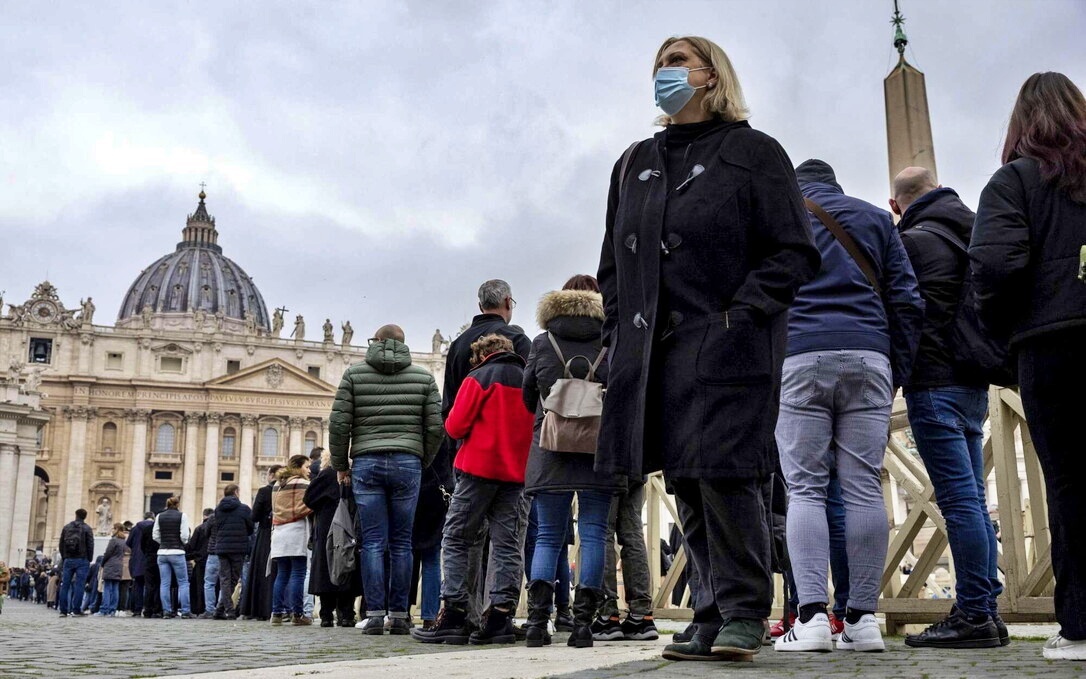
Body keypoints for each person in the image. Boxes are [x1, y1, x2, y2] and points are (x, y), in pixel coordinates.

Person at [596, 35, 820, 662]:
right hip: (654, 348)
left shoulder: (755, 152)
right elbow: (614, 261)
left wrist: (743, 314)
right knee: (686, 481)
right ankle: (710, 608)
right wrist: (618, 332)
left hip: (727, 339)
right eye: (658, 65)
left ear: (711, 75)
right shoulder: (634, 161)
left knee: (726, 473)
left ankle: (746, 609)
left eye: (676, 63)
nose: (663, 74)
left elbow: (793, 250)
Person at [773, 159, 923, 653]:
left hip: (800, 356)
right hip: (868, 354)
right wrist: (893, 367)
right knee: (862, 487)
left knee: (805, 490)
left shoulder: (780, 215)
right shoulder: (876, 219)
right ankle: (862, 620)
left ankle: (813, 618)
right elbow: (907, 298)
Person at [970, 72, 1086, 661]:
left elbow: (993, 269)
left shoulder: (1014, 182)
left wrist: (1004, 336)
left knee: (1070, 485)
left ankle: (1082, 626)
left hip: (1054, 344)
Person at [890, 165, 1007, 649]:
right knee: (973, 502)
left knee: (959, 503)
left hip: (933, 380)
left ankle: (975, 614)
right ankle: (986, 609)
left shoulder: (913, 243)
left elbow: (900, 311)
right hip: (974, 383)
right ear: (937, 190)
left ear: (897, 205)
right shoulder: (972, 231)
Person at [521, 275, 628, 648]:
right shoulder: (613, 336)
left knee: (549, 536)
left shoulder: (542, 341)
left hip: (551, 448)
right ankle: (583, 626)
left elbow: (526, 393)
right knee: (595, 534)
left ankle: (537, 623)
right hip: (600, 449)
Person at [414, 334, 534, 646]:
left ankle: (454, 614)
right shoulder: (528, 379)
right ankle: (500, 616)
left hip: (477, 471)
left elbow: (453, 427)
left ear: (480, 356)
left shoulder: (478, 377)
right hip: (517, 475)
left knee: (457, 539)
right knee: (508, 544)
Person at [330, 324, 443, 634]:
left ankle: (375, 613)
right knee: (403, 543)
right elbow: (436, 427)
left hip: (366, 462)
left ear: (377, 342)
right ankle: (400, 614)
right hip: (408, 462)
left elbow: (339, 424)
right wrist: (422, 458)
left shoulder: (354, 375)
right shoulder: (423, 377)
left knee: (373, 542)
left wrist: (341, 464)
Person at [304, 450, 362, 628]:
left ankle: (326, 614)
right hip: (348, 526)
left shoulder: (325, 475)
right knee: (347, 564)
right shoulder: (355, 475)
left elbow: (308, 499)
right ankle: (347, 613)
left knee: (325, 567)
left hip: (326, 526)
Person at [412, 439, 455, 630]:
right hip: (438, 491)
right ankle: (430, 614)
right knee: (432, 558)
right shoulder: (443, 429)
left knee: (406, 554)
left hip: (411, 490)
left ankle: (401, 611)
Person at [269, 454, 314, 626]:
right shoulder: (303, 484)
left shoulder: (276, 485)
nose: (309, 470)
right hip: (296, 530)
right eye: (306, 467)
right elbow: (310, 505)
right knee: (298, 573)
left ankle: (276, 614)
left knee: (282, 574)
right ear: (298, 467)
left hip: (279, 531)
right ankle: (297, 614)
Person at [241, 465, 280, 621]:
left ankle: (259, 609)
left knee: (262, 571)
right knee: (277, 572)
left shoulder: (264, 491)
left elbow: (254, 516)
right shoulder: (283, 489)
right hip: (280, 532)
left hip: (265, 534)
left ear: (270, 475)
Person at [213, 484, 253, 619]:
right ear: (236, 492)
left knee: (225, 579)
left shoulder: (218, 509)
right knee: (234, 580)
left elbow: (216, 526)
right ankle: (230, 610)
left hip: (222, 547)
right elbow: (251, 528)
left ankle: (219, 610)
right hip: (238, 548)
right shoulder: (244, 509)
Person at [153, 496, 193, 618]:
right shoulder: (182, 516)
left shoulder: (159, 516)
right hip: (177, 552)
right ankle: (185, 611)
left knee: (164, 583)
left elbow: (155, 535)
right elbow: (185, 535)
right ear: (178, 504)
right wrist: (182, 543)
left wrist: (163, 542)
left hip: (162, 553)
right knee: (183, 583)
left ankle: (166, 611)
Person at [57, 508, 95, 617]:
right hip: (82, 559)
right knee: (80, 585)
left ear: (76, 515)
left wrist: (65, 557)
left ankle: (63, 610)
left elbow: (61, 544)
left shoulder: (66, 527)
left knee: (65, 585)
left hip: (68, 559)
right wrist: (89, 558)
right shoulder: (87, 528)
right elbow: (90, 545)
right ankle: (76, 610)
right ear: (85, 516)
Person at [126, 511, 153, 615]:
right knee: (151, 585)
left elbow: (128, 543)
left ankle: (137, 609)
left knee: (138, 585)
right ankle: (149, 609)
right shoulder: (155, 526)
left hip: (137, 559)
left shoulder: (135, 528)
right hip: (150, 558)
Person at [187, 508, 213, 617]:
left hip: (200, 560)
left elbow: (192, 546)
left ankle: (199, 608)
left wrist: (190, 556)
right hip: (213, 558)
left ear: (204, 516)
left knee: (199, 585)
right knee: (212, 585)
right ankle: (211, 607)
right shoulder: (216, 528)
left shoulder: (199, 529)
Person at [97, 523, 127, 616]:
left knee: (107, 588)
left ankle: (104, 609)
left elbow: (107, 553)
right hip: (119, 565)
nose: (112, 530)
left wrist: (102, 564)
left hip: (110, 565)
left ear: (116, 529)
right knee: (115, 588)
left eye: (113, 529)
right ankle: (112, 609)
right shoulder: (123, 541)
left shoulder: (113, 540)